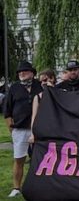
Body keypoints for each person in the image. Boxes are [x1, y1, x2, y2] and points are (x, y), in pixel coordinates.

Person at [3, 61, 43, 197]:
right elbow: (7, 112)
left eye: (25, 71)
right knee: (19, 159)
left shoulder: (40, 86)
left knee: (40, 159)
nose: (22, 73)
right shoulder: (14, 88)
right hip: (19, 129)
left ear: (32, 73)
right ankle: (16, 188)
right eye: (20, 72)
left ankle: (40, 186)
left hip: (39, 129)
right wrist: (12, 130)